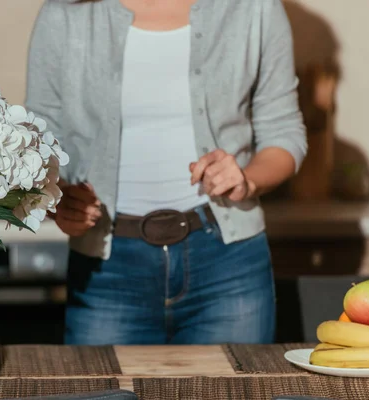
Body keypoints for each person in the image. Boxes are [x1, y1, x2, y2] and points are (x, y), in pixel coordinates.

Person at [24, 0, 307, 345]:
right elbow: (39, 140)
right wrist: (58, 201)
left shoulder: (255, 8)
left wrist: (247, 180)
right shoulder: (64, 14)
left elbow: (284, 133)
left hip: (229, 265)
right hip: (106, 269)